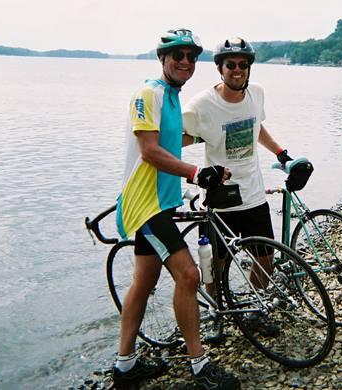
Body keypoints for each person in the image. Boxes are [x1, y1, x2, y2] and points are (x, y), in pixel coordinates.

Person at [113, 28, 240, 389]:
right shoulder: (148, 94)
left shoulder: (171, 97)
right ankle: (199, 365)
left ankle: (124, 366)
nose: (185, 61)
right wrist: (196, 173)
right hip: (146, 205)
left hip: (164, 202)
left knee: (144, 281)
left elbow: (174, 141)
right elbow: (150, 151)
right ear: (162, 58)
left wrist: (212, 140)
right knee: (188, 276)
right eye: (177, 55)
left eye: (190, 56)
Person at [182, 37, 293, 340]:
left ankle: (256, 309)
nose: (238, 70)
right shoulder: (202, 104)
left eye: (243, 65)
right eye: (231, 64)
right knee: (216, 265)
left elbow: (257, 128)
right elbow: (177, 139)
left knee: (265, 258)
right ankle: (217, 313)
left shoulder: (256, 94)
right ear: (220, 68)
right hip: (221, 200)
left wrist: (281, 153)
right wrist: (193, 160)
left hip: (254, 196)